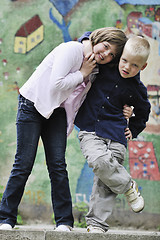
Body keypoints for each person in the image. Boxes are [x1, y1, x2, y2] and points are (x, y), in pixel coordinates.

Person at [0, 27, 129, 231]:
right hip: (33, 104)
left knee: (58, 166)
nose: (105, 55)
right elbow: (57, 84)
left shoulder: (95, 68)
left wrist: (127, 108)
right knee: (23, 163)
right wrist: (82, 73)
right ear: (99, 39)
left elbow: (107, 91)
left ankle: (64, 222)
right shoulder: (71, 50)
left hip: (57, 112)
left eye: (111, 54)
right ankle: (5, 218)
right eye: (105, 47)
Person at [74, 35, 151, 233]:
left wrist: (133, 128)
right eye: (124, 60)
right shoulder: (106, 66)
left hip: (116, 135)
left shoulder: (137, 90)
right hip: (90, 129)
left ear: (142, 67)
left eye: (134, 65)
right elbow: (94, 38)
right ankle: (128, 186)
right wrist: (85, 41)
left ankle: (96, 224)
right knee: (99, 162)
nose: (127, 67)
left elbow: (144, 112)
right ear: (120, 56)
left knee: (105, 183)